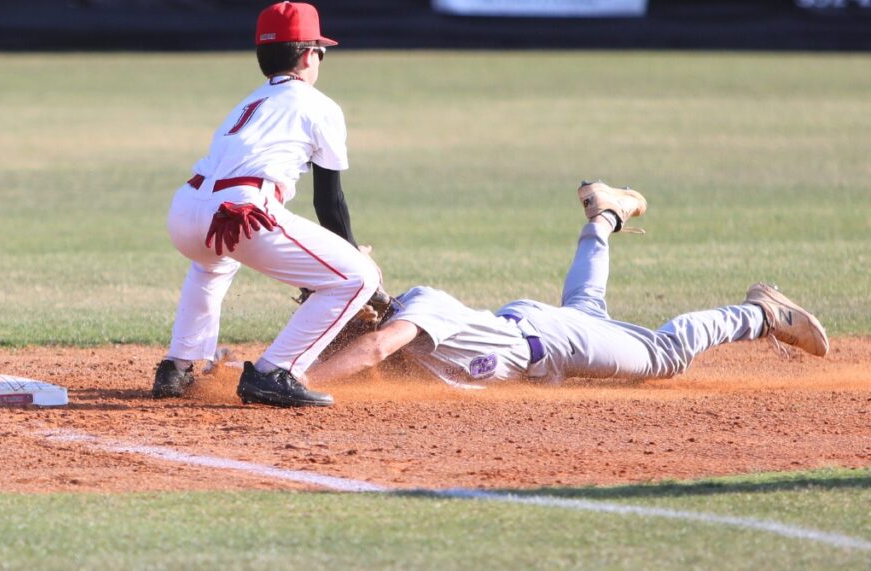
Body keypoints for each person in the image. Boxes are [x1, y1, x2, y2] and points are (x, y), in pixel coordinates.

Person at [306, 181, 829, 388]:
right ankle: (603, 218)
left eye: (335, 306)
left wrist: (300, 383)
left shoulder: (416, 310)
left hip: (550, 342)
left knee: (665, 356)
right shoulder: (391, 338)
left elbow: (372, 348)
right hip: (538, 331)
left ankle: (761, 314)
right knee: (587, 306)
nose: (329, 317)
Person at [152, 1, 381, 407]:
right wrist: (352, 255)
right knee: (357, 277)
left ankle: (178, 366)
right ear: (309, 54)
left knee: (211, 264)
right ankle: (275, 371)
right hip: (242, 211)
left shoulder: (249, 103)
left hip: (186, 211)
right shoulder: (319, 105)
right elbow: (329, 199)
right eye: (321, 52)